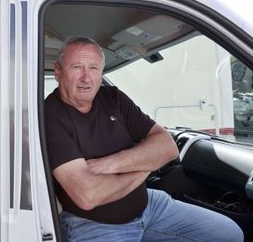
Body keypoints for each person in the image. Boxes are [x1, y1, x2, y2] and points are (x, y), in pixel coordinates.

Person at [45, 36, 243, 241]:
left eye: (94, 68)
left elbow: (167, 147)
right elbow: (88, 196)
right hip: (92, 224)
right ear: (58, 72)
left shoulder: (112, 97)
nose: (86, 78)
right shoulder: (49, 115)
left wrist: (110, 164)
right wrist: (147, 163)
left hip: (150, 205)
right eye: (77, 67)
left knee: (229, 234)